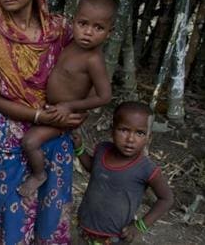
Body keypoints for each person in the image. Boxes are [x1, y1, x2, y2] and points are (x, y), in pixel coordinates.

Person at [0, 0, 86, 244]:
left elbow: (83, 72)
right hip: (11, 137)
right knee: (12, 209)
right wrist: (37, 115)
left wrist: (75, 113)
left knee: (52, 208)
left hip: (55, 132)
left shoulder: (61, 30)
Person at [19, 0, 115, 197]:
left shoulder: (93, 59)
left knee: (30, 142)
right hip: (51, 109)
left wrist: (70, 107)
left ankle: (39, 175)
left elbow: (105, 96)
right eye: (83, 24)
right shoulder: (71, 43)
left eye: (98, 28)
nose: (88, 32)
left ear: (109, 32)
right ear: (73, 22)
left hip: (61, 118)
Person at [72, 101, 173, 244]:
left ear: (148, 138)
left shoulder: (146, 168)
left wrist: (140, 226)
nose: (130, 139)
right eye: (124, 130)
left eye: (140, 133)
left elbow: (166, 199)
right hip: (85, 226)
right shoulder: (102, 149)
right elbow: (94, 169)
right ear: (112, 130)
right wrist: (80, 149)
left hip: (115, 237)